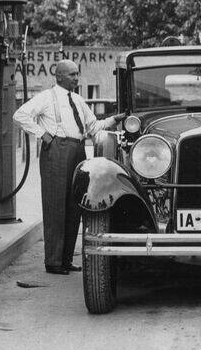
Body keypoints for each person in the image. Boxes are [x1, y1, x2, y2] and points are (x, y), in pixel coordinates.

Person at [13, 59, 123, 274]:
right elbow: (20, 115)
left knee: (75, 204)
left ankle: (66, 259)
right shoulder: (46, 97)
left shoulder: (78, 100)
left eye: (76, 74)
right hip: (57, 150)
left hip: (78, 150)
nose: (76, 78)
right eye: (71, 74)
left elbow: (93, 127)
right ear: (59, 76)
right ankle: (53, 261)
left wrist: (114, 120)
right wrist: (43, 135)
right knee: (56, 204)